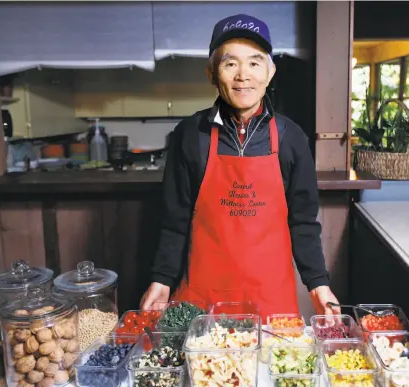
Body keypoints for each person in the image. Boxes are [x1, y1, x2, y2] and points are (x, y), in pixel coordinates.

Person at [140, 13, 341, 319]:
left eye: (255, 62)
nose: (243, 75)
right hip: (204, 300)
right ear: (211, 73)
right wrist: (162, 278)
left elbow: (303, 222)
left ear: (270, 72)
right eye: (230, 63)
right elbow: (175, 219)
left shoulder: (291, 138)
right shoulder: (191, 135)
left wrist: (318, 284)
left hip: (271, 300)